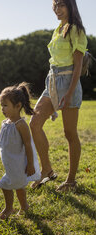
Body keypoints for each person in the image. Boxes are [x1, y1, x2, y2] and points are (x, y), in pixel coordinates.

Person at [30, 0, 87, 191]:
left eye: (61, 5)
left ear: (70, 6)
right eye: (55, 6)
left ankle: (71, 180)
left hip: (69, 81)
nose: (57, 9)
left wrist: (69, 93)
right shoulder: (57, 29)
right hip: (52, 81)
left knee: (69, 133)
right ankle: (46, 169)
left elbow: (78, 65)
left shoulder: (76, 30)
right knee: (35, 123)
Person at [0, 82, 41, 219]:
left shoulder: (21, 125)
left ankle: (8, 209)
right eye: (1, 105)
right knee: (19, 187)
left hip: (18, 164)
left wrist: (30, 164)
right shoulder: (5, 123)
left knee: (5, 185)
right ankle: (24, 206)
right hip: (10, 164)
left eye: (5, 105)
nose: (2, 109)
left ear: (17, 106)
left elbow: (28, 145)